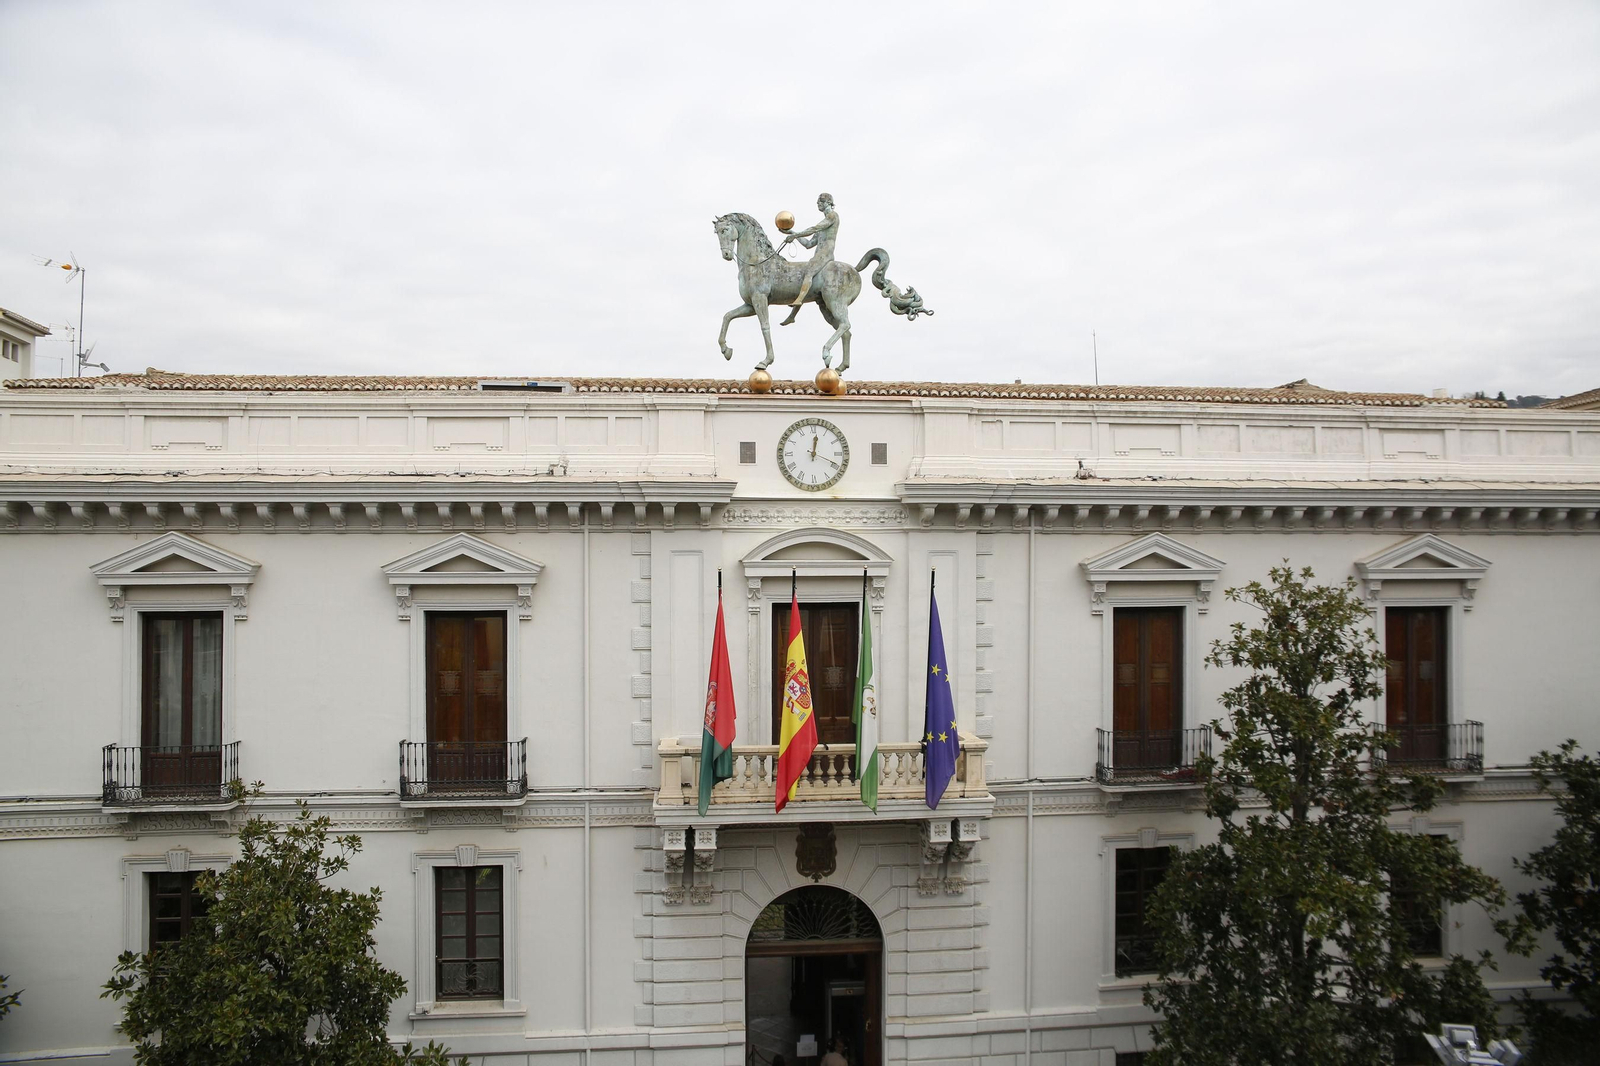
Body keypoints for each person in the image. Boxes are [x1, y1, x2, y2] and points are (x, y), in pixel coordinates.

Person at [778, 192, 839, 324]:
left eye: (821, 201)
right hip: (818, 254)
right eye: (818, 202)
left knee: (808, 272)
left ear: (828, 203)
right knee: (804, 278)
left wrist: (795, 235)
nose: (818, 204)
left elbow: (814, 228)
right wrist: (793, 233)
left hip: (826, 254)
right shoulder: (823, 224)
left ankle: (798, 300)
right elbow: (809, 244)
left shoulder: (832, 216)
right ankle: (793, 315)